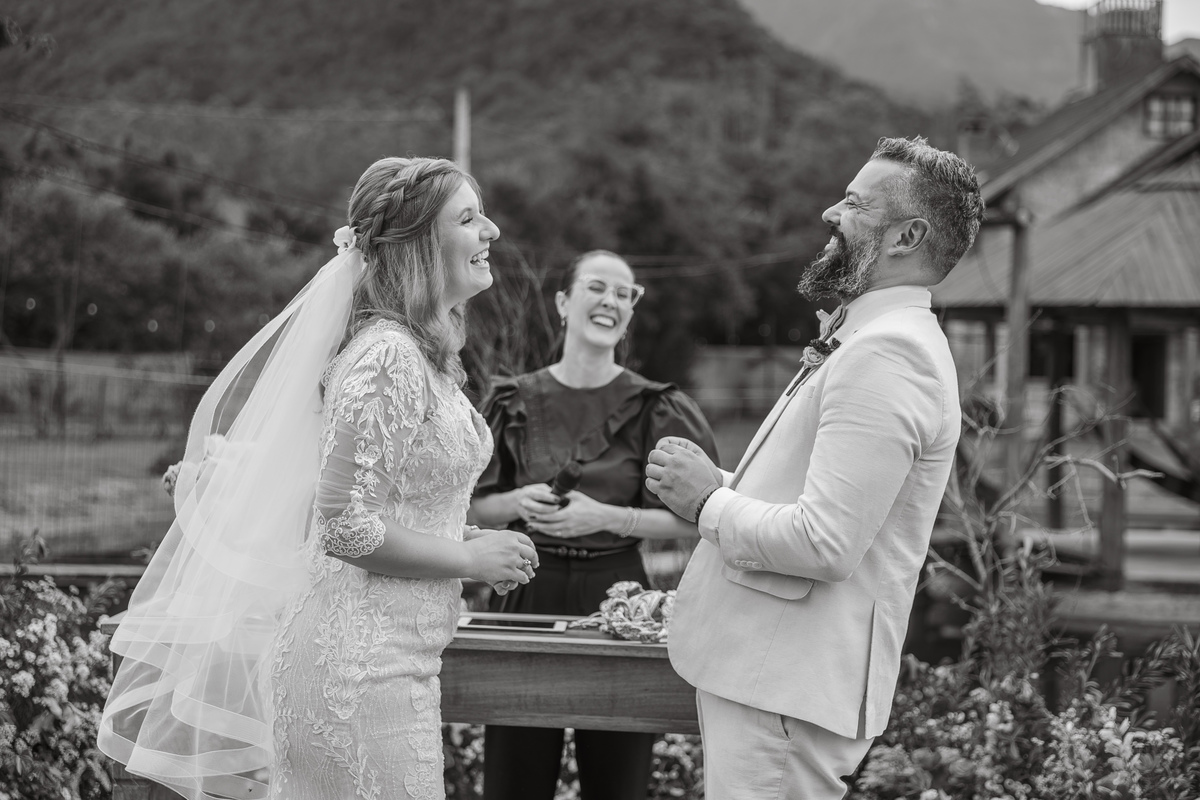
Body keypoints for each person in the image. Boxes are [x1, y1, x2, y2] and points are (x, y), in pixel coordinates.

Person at [98, 156, 539, 800]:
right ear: (418, 244)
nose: (491, 230)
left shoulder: (419, 355)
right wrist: (470, 559)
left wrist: (457, 536)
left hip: (396, 658)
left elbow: (389, 502)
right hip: (356, 669)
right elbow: (344, 526)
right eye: (469, 218)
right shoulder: (388, 356)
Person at [645, 136, 985, 800]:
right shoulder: (866, 338)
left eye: (855, 204)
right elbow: (818, 501)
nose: (832, 212)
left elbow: (825, 542)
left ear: (907, 236)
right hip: (770, 678)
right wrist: (725, 483)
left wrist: (706, 504)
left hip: (785, 687)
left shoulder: (889, 355)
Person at [469, 250, 719, 800]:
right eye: (597, 287)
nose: (611, 301)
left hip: (619, 598)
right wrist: (517, 500)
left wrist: (606, 517)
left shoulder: (658, 406)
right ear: (563, 302)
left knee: (617, 782)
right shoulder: (511, 401)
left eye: (624, 294)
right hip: (525, 589)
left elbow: (703, 517)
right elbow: (475, 508)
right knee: (514, 780)